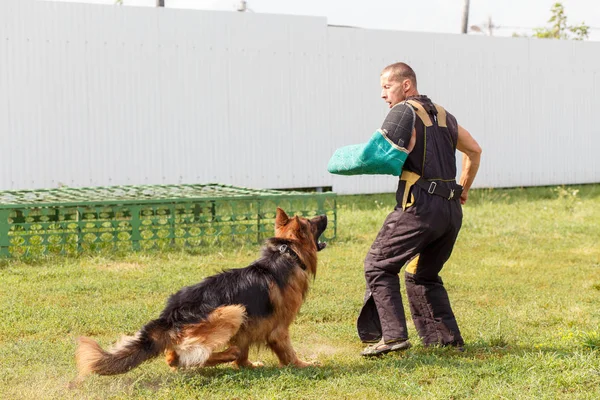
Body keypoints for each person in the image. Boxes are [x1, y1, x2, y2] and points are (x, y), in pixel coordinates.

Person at [357, 62, 482, 356]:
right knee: (422, 274)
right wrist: (463, 188)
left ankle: (393, 336)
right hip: (450, 212)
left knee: (378, 265)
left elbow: (381, 155)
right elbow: (474, 150)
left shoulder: (404, 112)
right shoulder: (444, 115)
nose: (383, 95)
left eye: (386, 87)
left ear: (406, 85)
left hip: (420, 208)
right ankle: (444, 340)